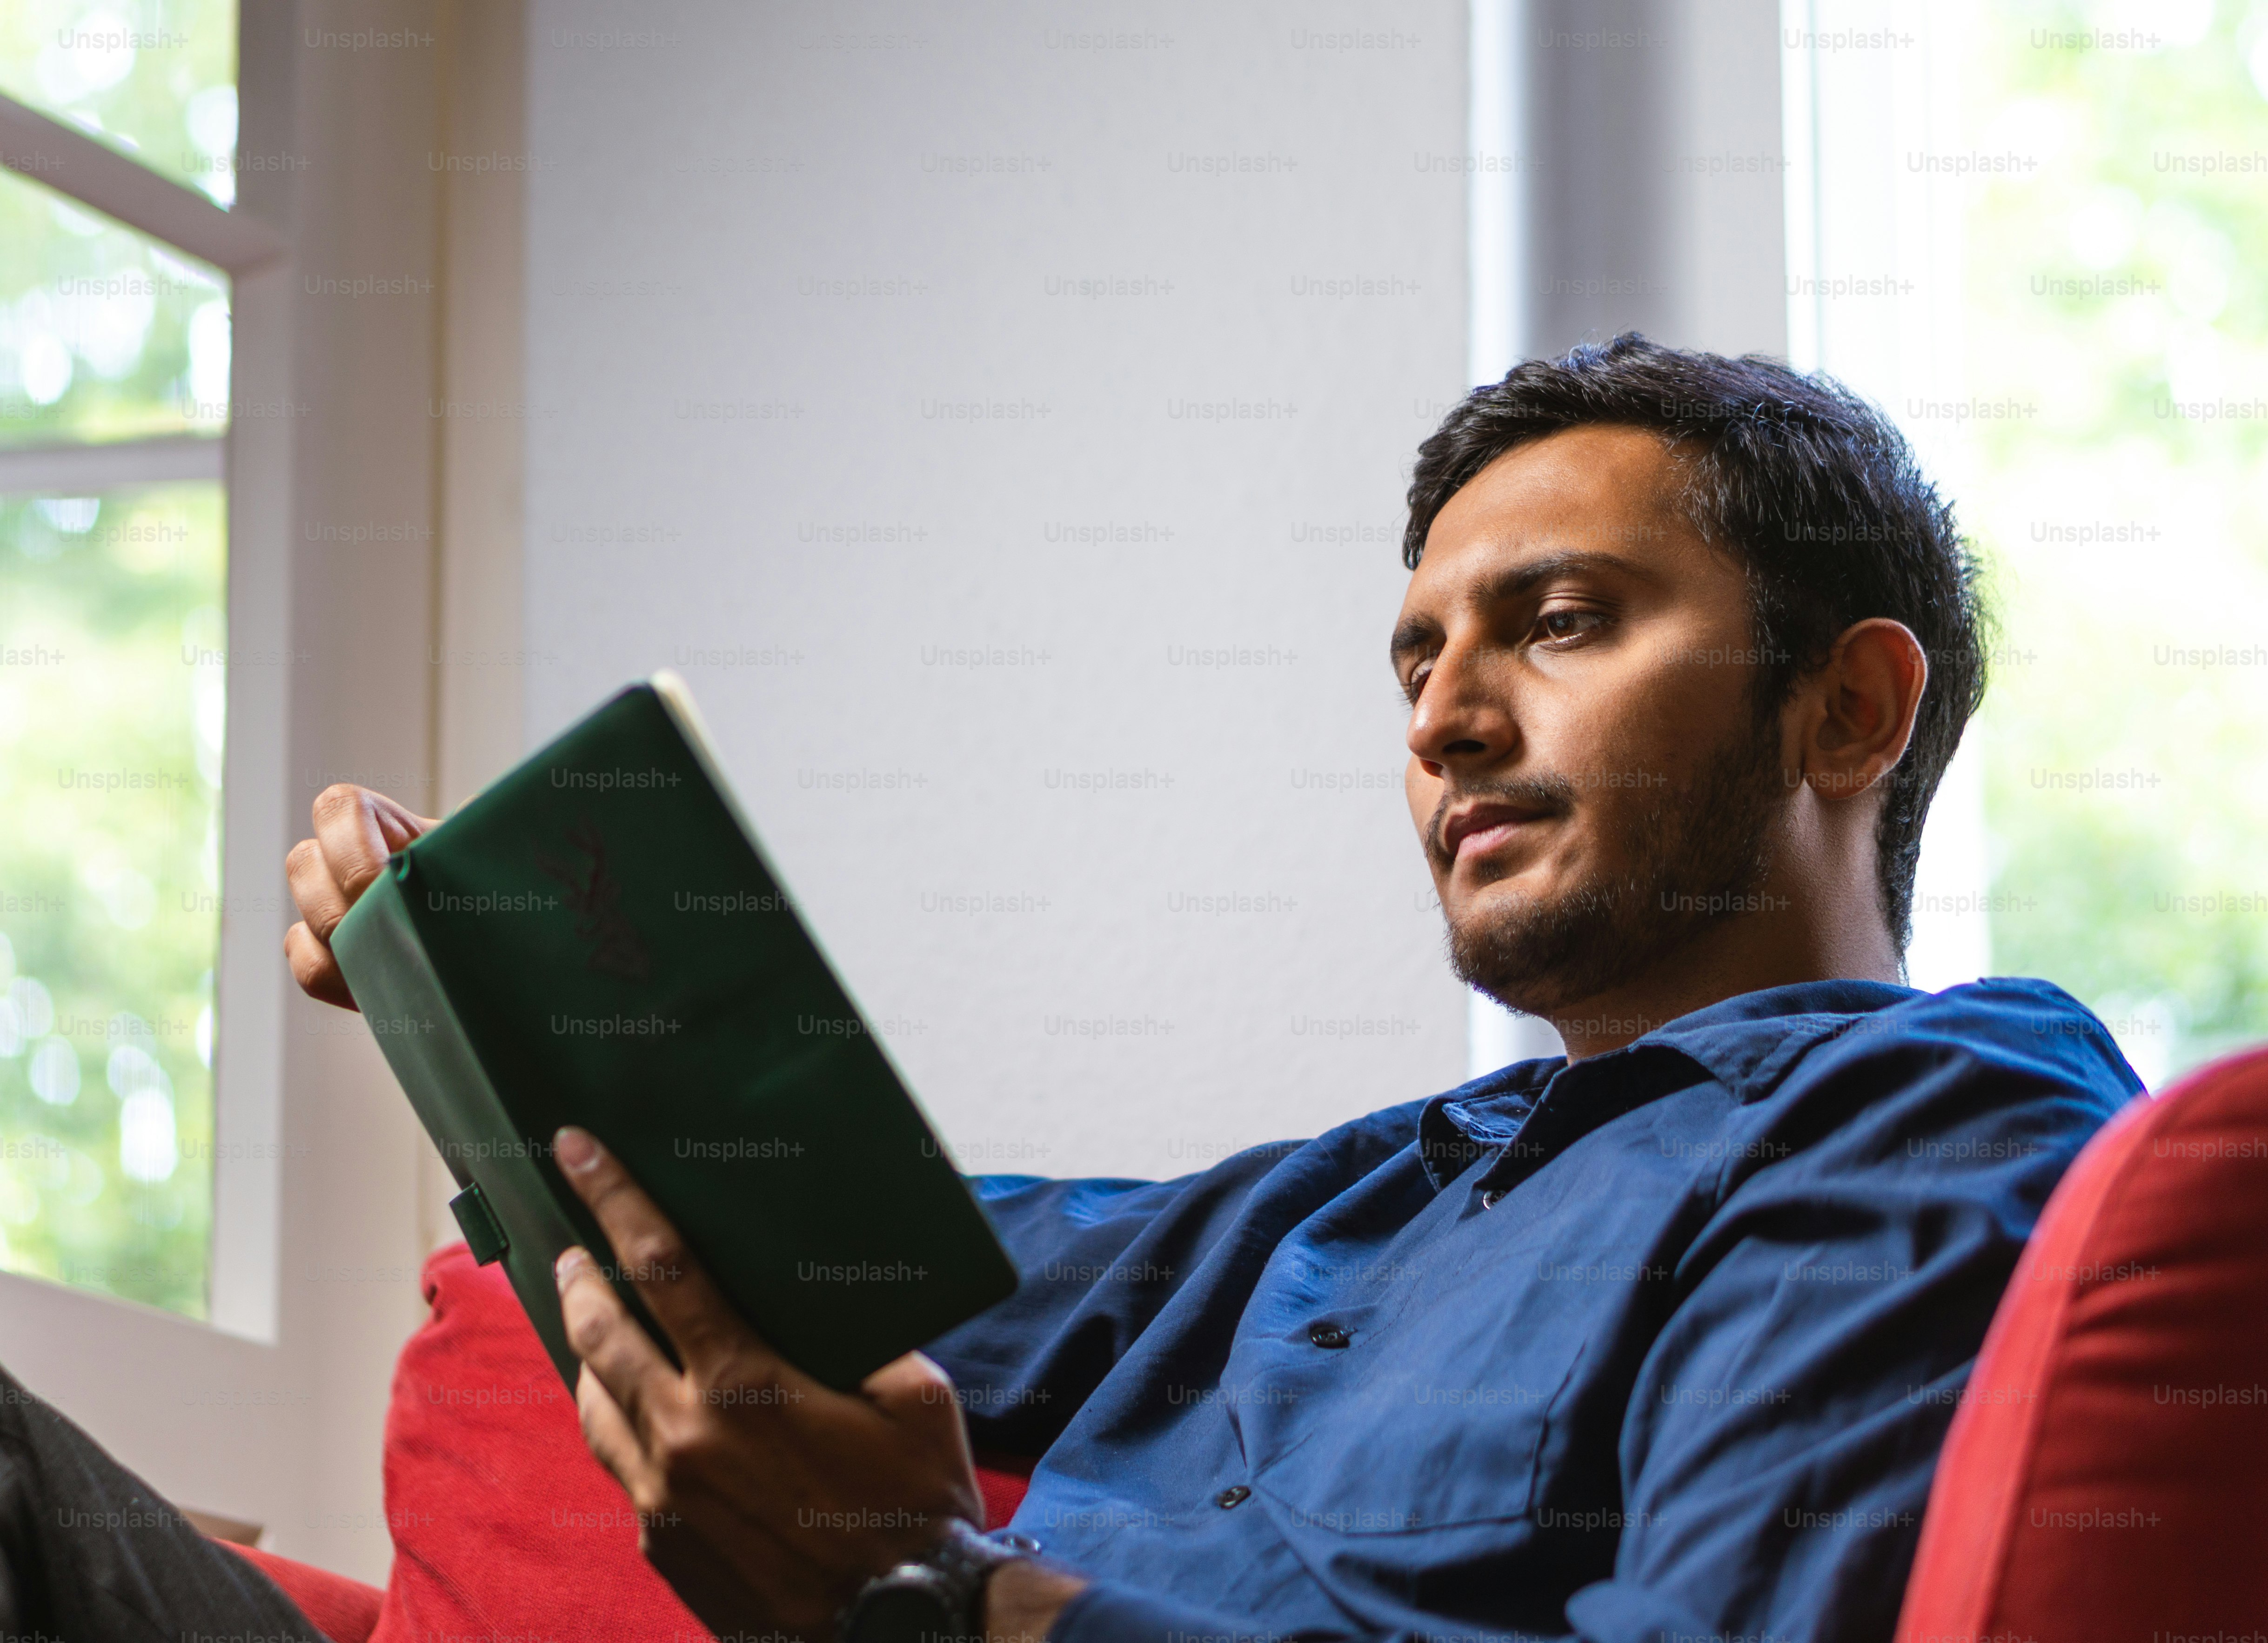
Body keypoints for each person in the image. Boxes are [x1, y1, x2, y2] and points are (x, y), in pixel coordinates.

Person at [0, 335, 2136, 1643]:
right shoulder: (1352, 1195)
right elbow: (816, 1242)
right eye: (1415, 658)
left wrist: (937, 1601)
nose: (1444, 717)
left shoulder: (1928, 1125)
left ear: (1846, 710)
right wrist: (476, 962)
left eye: (1558, 621)